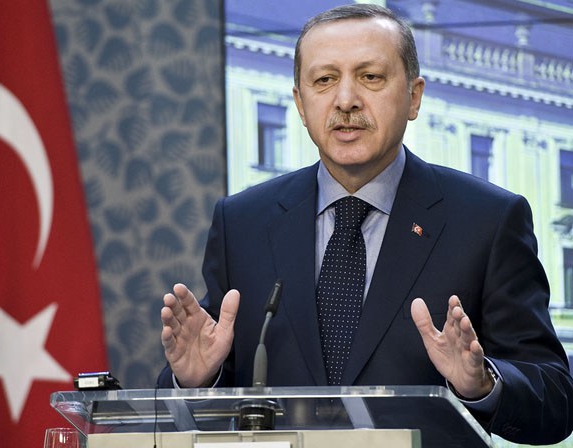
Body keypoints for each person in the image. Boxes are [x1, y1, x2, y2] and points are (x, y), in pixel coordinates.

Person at [158, 4, 573, 445]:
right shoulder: (243, 222)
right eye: (324, 80)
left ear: (414, 97)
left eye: (371, 77)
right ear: (300, 103)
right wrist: (200, 379)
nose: (345, 99)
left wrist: (483, 385)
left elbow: (556, 398)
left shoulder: (487, 220)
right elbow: (197, 386)